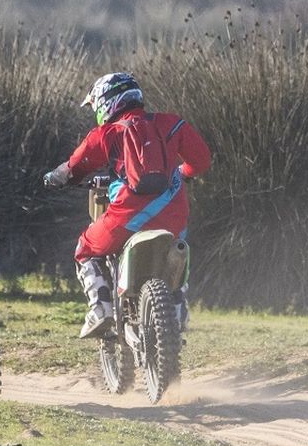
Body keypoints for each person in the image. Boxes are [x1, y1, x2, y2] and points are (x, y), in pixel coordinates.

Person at [43, 72, 212, 338]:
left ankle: (101, 309)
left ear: (106, 102)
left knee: (85, 248)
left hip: (126, 218)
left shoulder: (106, 134)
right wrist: (183, 172)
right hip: (174, 216)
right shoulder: (173, 123)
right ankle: (177, 310)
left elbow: (74, 167)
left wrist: (54, 178)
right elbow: (201, 160)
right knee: (176, 254)